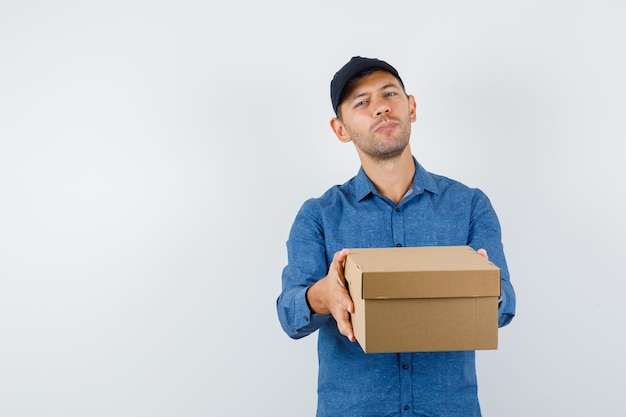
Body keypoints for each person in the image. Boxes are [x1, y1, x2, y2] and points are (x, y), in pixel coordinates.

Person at [276, 56, 516, 417]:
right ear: (340, 129)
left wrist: (482, 288)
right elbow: (289, 314)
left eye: (390, 94)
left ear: (411, 107)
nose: (381, 107)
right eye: (362, 102)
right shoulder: (319, 214)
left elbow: (505, 307)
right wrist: (322, 295)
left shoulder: (469, 205)